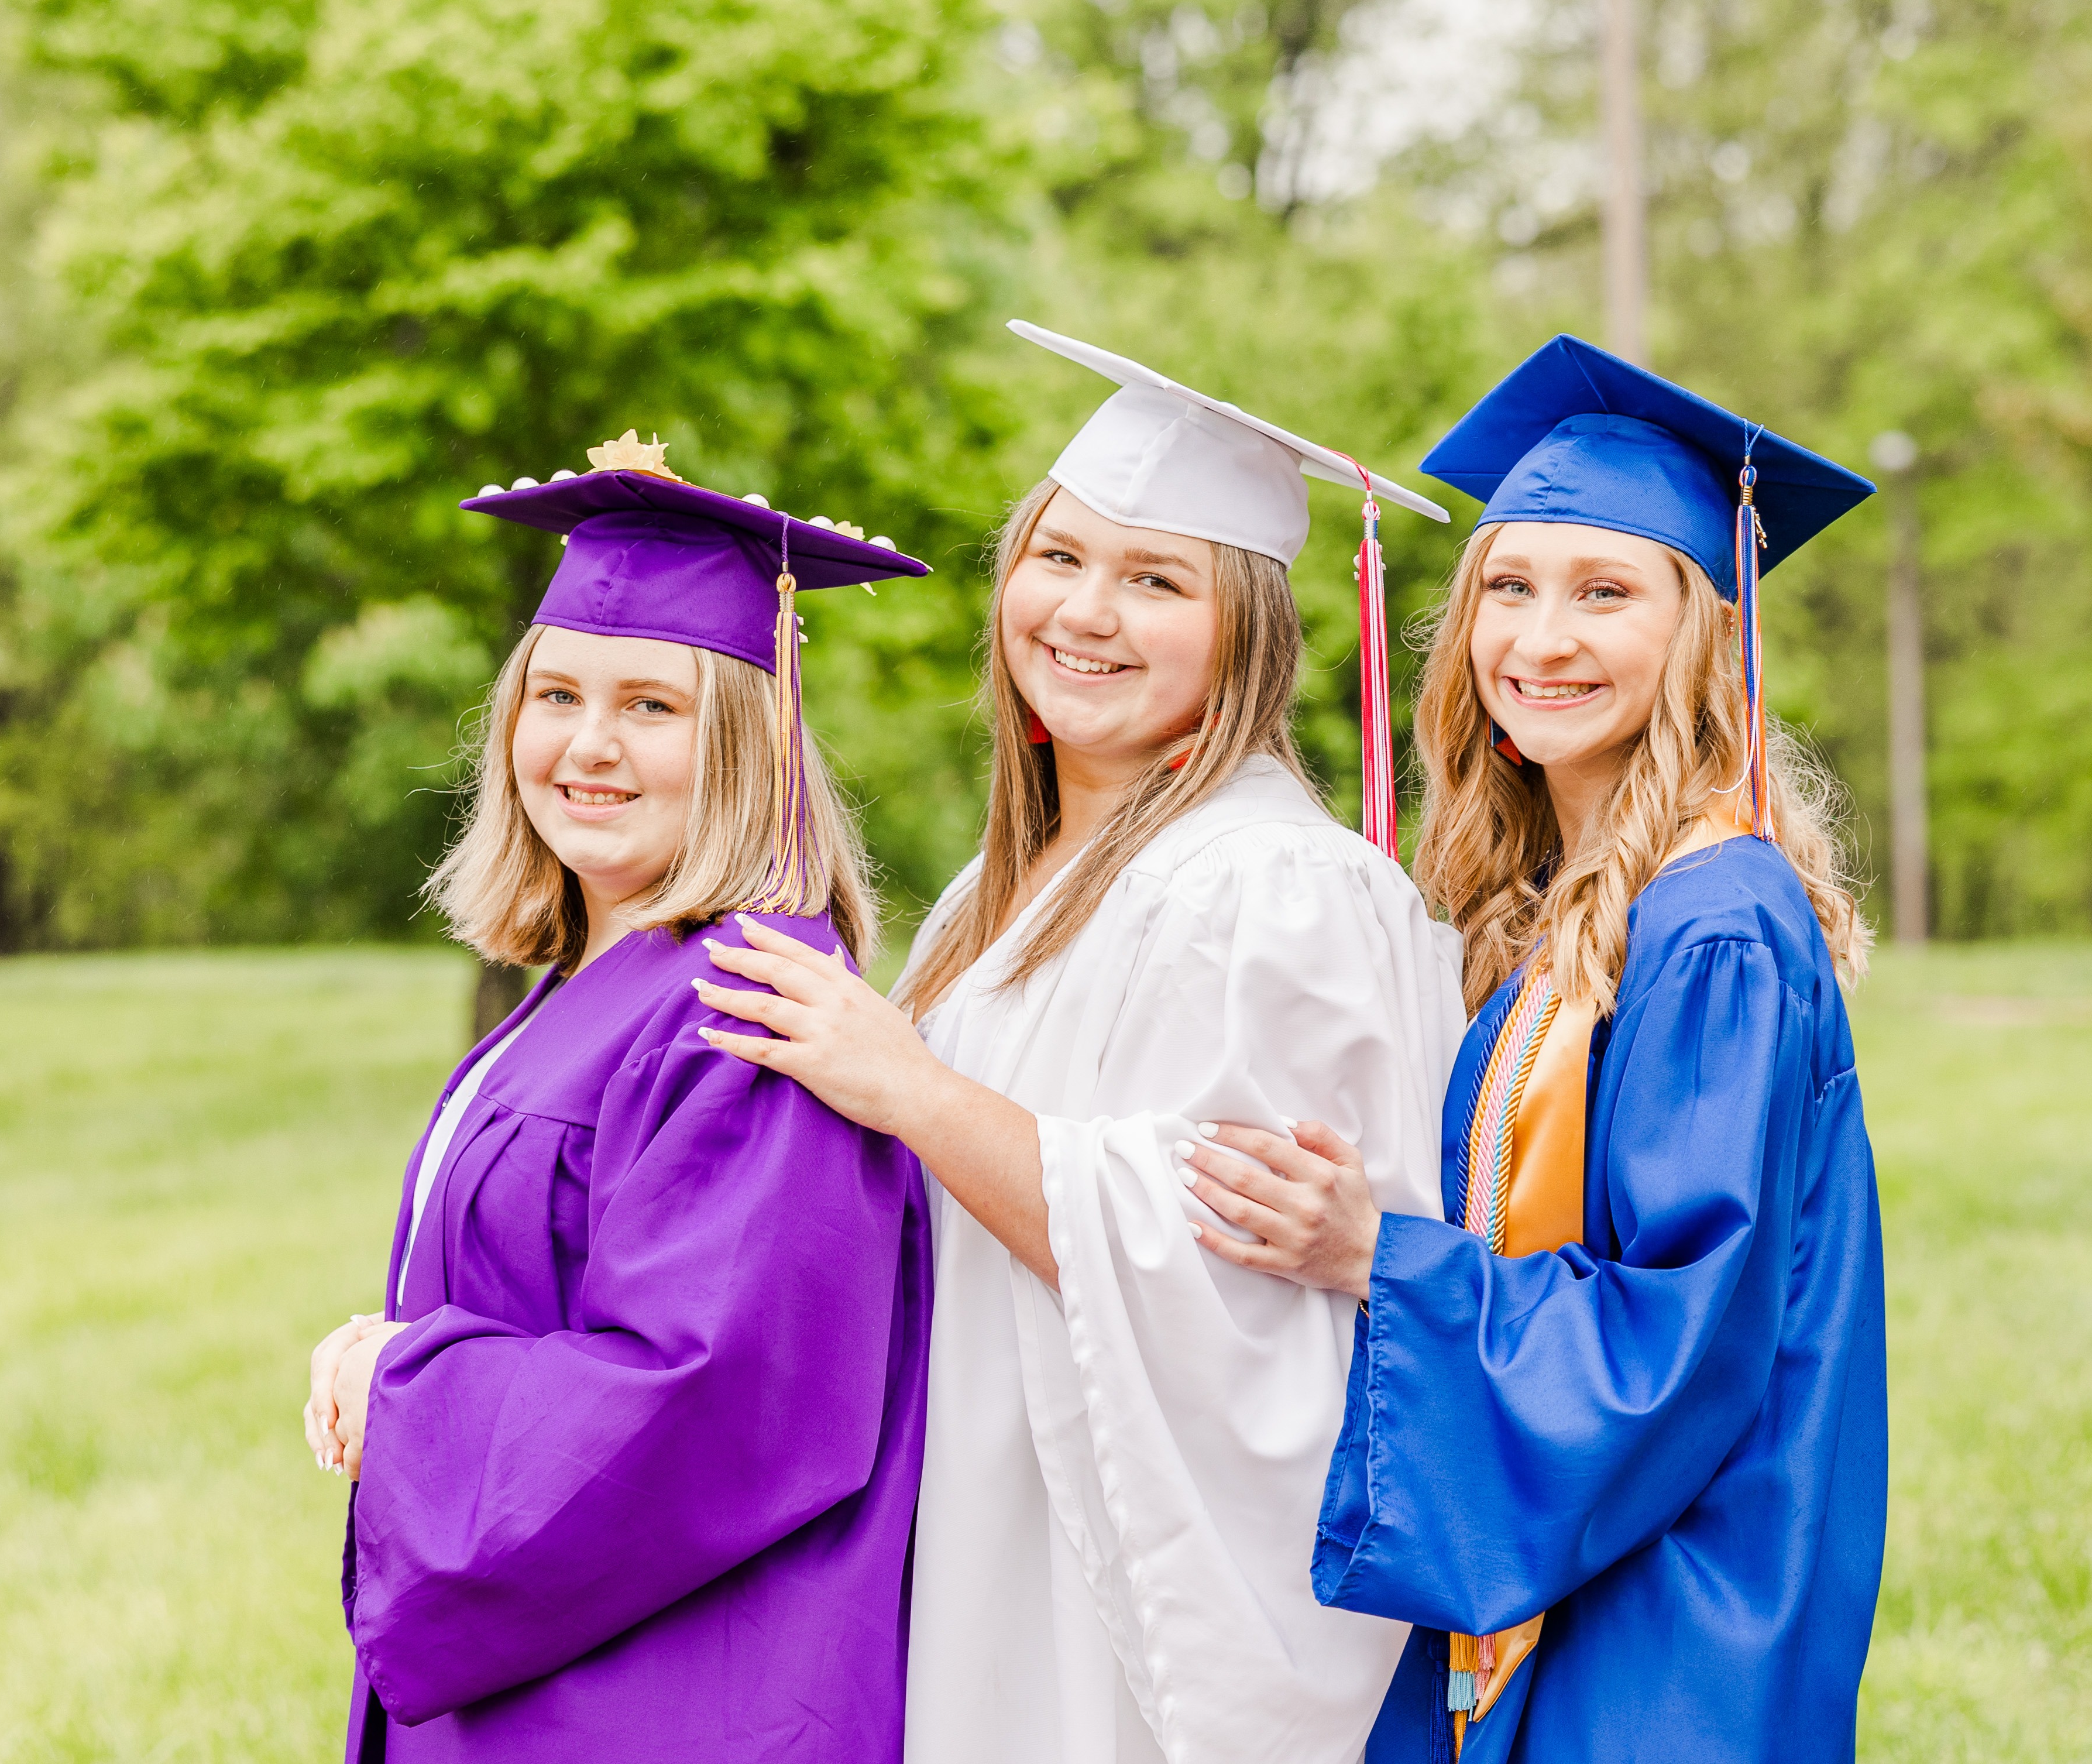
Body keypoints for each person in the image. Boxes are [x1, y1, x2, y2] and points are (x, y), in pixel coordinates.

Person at [695, 322, 1465, 1764]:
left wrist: (909, 1089)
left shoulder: (1277, 888)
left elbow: (1236, 1265)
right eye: (1058, 559)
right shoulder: (995, 899)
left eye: (1155, 578)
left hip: (1117, 1569)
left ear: (1246, 629)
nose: (1086, 612)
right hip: (974, 1513)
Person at [1176, 337, 1889, 1763]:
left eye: (1604, 593)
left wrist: (1373, 1253)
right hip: (1588, 1574)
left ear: (1701, 633)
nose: (1539, 640)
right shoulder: (1580, 901)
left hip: (1667, 1619)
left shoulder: (1712, 927)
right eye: (1509, 587)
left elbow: (1670, 1343)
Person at [297, 433, 935, 1763]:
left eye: (653, 705)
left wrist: (399, 1381)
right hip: (562, 1658)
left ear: (749, 738)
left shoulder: (752, 1007)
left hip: (666, 1693)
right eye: (556, 695)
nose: (588, 746)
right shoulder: (611, 973)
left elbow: (708, 1395)